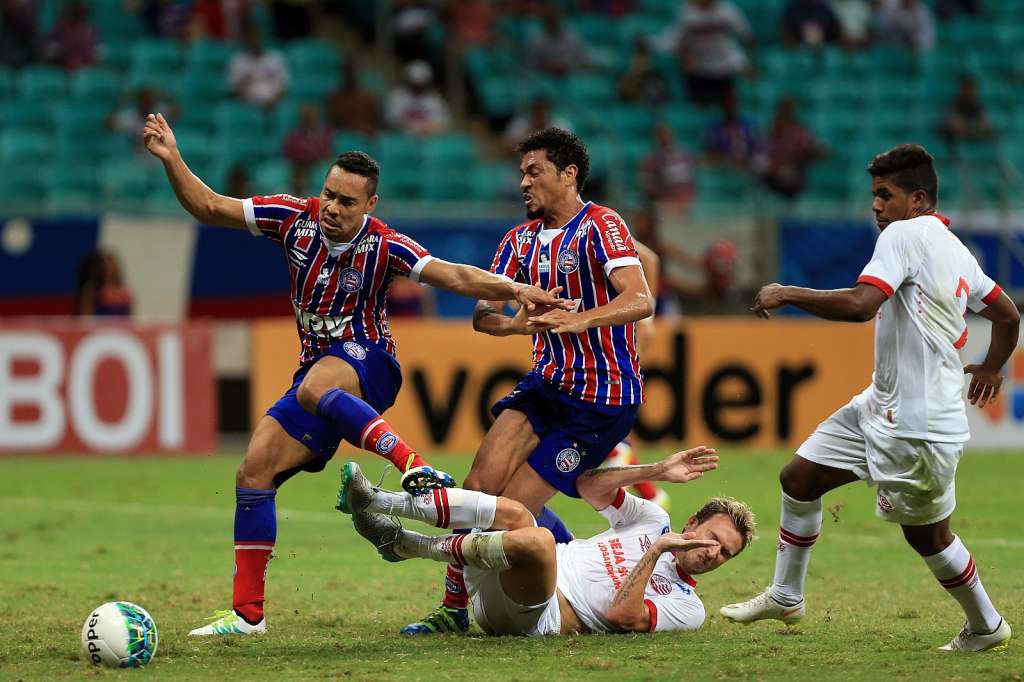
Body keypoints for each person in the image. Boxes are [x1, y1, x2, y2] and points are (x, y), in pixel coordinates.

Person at [141, 112, 568, 637]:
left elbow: (454, 274)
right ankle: (248, 615)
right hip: (317, 375)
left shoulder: (384, 244)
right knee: (253, 471)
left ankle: (412, 464)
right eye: (328, 195)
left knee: (319, 384)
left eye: (346, 202)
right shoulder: (292, 217)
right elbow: (209, 206)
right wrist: (172, 158)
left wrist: (514, 289)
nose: (332, 209)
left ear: (370, 205)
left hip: (370, 362)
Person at [723, 144, 1019, 652]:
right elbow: (1008, 314)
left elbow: (863, 305)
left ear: (918, 199)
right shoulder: (956, 249)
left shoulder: (904, 235)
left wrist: (788, 293)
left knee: (928, 538)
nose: (877, 206)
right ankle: (786, 594)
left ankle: (987, 626)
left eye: (886, 195)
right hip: (879, 406)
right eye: (874, 196)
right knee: (798, 477)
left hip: (918, 427)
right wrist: (992, 367)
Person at [402, 128, 654, 634]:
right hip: (545, 385)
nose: (523, 182)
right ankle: (454, 608)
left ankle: (564, 572)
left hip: (600, 401)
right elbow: (483, 315)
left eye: (534, 171)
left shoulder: (601, 224)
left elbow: (641, 298)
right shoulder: (519, 240)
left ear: (568, 174)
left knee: (509, 512)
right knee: (479, 490)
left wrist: (578, 319)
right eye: (521, 173)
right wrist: (518, 323)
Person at [337, 447, 755, 635]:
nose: (713, 554)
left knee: (536, 539)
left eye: (726, 554)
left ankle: (410, 545)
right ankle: (380, 504)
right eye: (714, 539)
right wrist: (658, 471)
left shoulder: (688, 607)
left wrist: (658, 551)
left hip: (536, 613)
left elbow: (622, 618)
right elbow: (588, 485)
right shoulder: (653, 519)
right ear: (693, 522)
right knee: (517, 508)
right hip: (501, 567)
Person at [227, 24, 290, 108]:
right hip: (247, 106)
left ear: (262, 38)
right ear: (246, 40)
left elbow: (284, 86)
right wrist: (252, 100)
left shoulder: (275, 58)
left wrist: (274, 101)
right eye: (252, 38)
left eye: (257, 37)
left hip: (273, 105)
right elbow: (233, 89)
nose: (255, 40)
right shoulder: (238, 61)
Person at [384, 60, 451, 137]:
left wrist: (423, 129)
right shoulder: (396, 96)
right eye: (415, 83)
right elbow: (390, 119)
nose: (418, 87)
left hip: (427, 140)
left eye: (421, 83)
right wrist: (410, 127)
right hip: (401, 138)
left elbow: (441, 124)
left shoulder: (435, 99)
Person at [74, 249, 133, 317]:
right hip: (99, 326)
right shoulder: (92, 290)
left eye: (113, 265)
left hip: (120, 327)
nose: (111, 269)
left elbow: (129, 318)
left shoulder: (124, 292)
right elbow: (86, 317)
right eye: (107, 265)